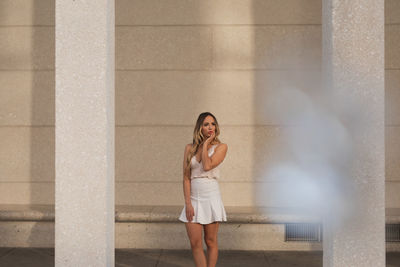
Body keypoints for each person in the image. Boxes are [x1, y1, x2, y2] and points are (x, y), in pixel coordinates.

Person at [178, 112, 228, 267]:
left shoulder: (221, 147)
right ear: (200, 127)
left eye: (213, 124)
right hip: (194, 198)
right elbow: (186, 177)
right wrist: (188, 203)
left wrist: (206, 144)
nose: (210, 127)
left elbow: (207, 166)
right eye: (206, 124)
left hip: (211, 197)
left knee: (210, 241)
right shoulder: (189, 148)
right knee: (195, 243)